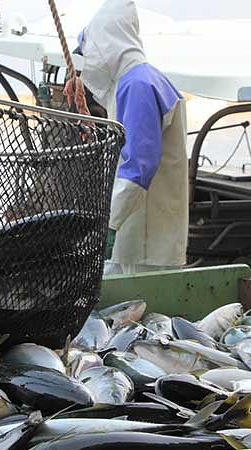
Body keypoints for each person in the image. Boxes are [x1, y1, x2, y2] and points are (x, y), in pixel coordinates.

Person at [78, 0, 189, 274]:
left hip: (144, 247)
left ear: (105, 42)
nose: (87, 58)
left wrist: (109, 225)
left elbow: (139, 165)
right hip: (151, 241)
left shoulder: (136, 85)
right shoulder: (143, 80)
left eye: (88, 49)